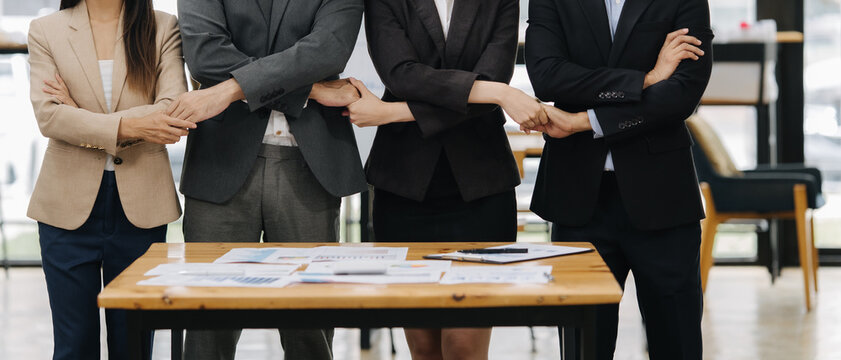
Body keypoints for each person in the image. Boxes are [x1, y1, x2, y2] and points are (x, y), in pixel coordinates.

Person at [345, 0, 542, 358]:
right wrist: (497, 92)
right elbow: (401, 74)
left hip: (481, 186)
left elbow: (493, 76)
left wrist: (393, 112)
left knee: (465, 345)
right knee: (422, 347)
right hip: (404, 186)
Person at [172, 0, 367, 359]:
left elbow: (327, 52)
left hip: (311, 164)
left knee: (311, 326)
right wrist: (310, 89)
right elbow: (204, 55)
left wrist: (228, 89)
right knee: (207, 326)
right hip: (221, 161)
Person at [524, 0, 713, 359]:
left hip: (663, 198)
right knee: (583, 350)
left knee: (678, 345)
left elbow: (683, 92)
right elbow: (548, 75)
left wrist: (585, 121)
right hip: (578, 199)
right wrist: (647, 78)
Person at [27, 0, 189, 358]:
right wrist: (129, 126)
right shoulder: (46, 30)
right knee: (73, 347)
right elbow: (50, 117)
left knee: (133, 345)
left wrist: (81, 117)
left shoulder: (163, 26)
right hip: (64, 207)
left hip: (141, 206)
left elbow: (172, 109)